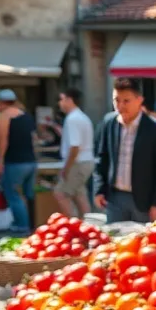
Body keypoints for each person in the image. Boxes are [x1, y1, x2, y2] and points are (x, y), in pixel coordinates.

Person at [93, 78, 156, 223]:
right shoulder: (109, 123)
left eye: (126, 101)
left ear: (139, 100)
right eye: (116, 100)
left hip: (144, 201)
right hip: (114, 199)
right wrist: (99, 190)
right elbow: (101, 158)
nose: (120, 106)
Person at [0, 89, 38, 233]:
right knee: (29, 195)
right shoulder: (26, 115)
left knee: (12, 195)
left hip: (14, 162)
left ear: (1, 102)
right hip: (31, 162)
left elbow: (2, 141)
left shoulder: (4, 116)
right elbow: (34, 139)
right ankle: (33, 225)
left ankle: (22, 226)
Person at [53, 88, 95, 218]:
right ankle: (89, 225)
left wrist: (66, 168)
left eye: (61, 99)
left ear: (69, 100)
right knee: (79, 194)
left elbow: (75, 147)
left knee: (60, 193)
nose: (59, 103)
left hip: (77, 163)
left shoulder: (72, 119)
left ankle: (73, 224)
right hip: (85, 162)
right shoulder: (81, 116)